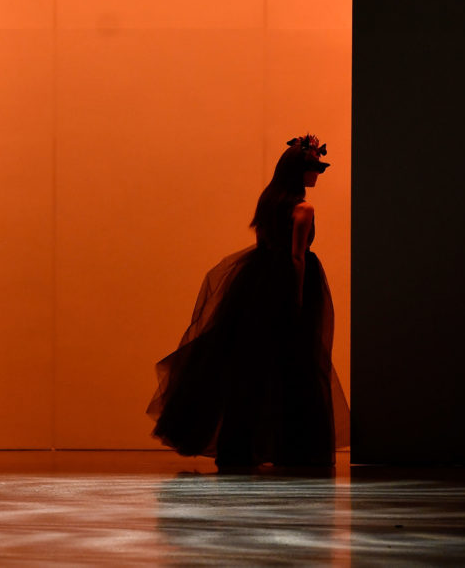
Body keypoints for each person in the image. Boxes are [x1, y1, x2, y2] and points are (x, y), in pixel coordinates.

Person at [146, 133, 349, 470]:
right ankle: (295, 450)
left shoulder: (269, 201)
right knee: (295, 365)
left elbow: (267, 244)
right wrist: (297, 298)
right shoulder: (303, 208)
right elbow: (297, 258)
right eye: (314, 167)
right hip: (287, 283)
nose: (317, 174)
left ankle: (239, 449)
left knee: (251, 368)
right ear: (300, 170)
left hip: (257, 284)